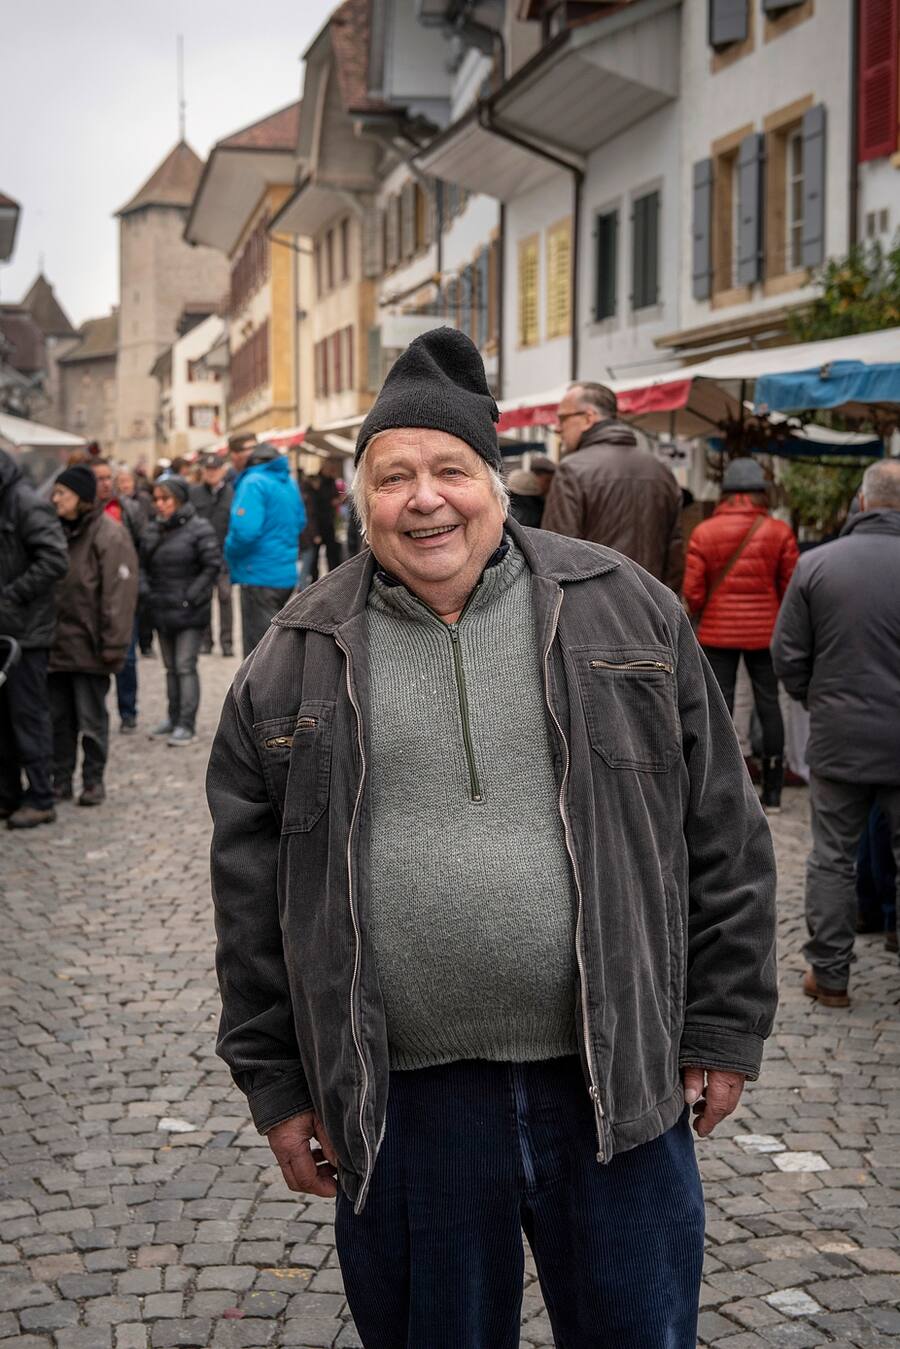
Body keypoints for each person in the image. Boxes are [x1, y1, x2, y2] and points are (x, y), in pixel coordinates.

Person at [208, 328, 777, 1348]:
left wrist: (724, 1026)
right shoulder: (289, 659)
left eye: (448, 470)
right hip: (404, 1106)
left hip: (613, 1085)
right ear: (360, 499)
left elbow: (723, 833)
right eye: (393, 477)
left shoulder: (626, 611)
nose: (424, 498)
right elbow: (252, 903)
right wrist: (279, 1085)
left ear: (495, 483)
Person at [772, 458, 900, 1007]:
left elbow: (788, 654)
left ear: (863, 502)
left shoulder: (818, 564)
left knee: (831, 856)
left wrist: (819, 700)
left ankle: (829, 976)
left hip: (840, 732)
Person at [682, 458, 799, 813]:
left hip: (718, 632)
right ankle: (774, 792)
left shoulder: (705, 532)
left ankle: (722, 788)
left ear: (726, 492)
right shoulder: (778, 531)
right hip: (766, 632)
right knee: (769, 704)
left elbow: (694, 592)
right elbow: (791, 588)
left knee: (719, 707)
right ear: (760, 493)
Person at [48, 465, 138, 807]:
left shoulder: (109, 534)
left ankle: (93, 780)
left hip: (90, 647)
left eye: (62, 493)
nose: (55, 499)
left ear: (81, 499)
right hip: (57, 645)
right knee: (59, 721)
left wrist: (114, 645)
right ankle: (61, 780)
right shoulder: (56, 531)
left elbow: (118, 594)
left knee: (91, 720)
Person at [542, 381, 684, 590]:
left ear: (589, 417)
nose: (557, 428)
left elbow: (557, 555)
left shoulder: (572, 469)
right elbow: (675, 554)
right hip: (653, 608)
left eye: (563, 418)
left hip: (597, 611)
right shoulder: (661, 471)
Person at [0, 447, 69, 829]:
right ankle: (8, 795)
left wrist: (11, 594)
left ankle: (41, 796)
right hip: (6, 630)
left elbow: (55, 560)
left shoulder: (26, 503)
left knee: (28, 718)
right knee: (4, 723)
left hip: (26, 633)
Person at [141, 477, 220, 746]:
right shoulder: (153, 530)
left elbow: (211, 566)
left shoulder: (200, 529)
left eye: (165, 499)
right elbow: (142, 565)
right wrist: (146, 593)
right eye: (157, 500)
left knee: (185, 666)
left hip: (189, 611)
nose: (160, 505)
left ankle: (186, 723)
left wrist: (190, 597)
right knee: (170, 668)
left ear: (179, 499)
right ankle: (173, 717)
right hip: (161, 608)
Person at [225, 441, 305, 658]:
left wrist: (229, 553)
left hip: (257, 573)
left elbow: (244, 531)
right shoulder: (289, 481)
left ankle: (260, 693)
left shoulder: (253, 482)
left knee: (258, 654)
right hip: (285, 574)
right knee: (274, 644)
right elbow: (300, 522)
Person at [91, 457, 146, 733]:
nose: (103, 483)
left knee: (127, 656)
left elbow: (143, 546)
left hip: (125, 591)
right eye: (97, 478)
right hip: (91, 596)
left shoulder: (127, 508)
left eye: (106, 478)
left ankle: (128, 711)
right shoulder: (81, 512)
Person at [190, 453, 234, 656]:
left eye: (214, 470)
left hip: (225, 553)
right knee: (204, 598)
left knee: (225, 598)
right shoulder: (195, 493)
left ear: (222, 471)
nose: (211, 473)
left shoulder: (231, 493)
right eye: (208, 470)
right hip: (201, 555)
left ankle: (227, 642)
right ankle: (206, 641)